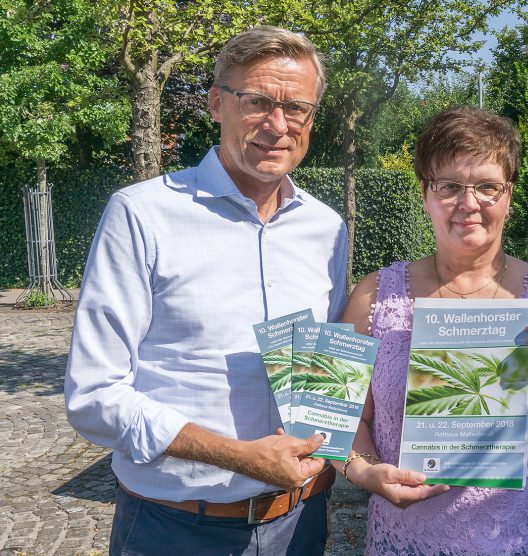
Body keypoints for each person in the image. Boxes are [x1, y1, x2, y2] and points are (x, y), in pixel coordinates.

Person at [64, 26, 346, 555]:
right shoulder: (142, 214)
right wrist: (239, 456)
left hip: (300, 524)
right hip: (173, 530)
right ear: (217, 103)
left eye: (298, 108)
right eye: (258, 101)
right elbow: (94, 396)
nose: (278, 125)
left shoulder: (327, 228)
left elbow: (324, 369)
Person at [335, 106, 528, 555]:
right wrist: (365, 470)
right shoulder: (374, 296)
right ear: (425, 195)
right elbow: (341, 416)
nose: (469, 204)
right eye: (449, 186)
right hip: (408, 541)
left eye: (488, 187)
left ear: (509, 195)